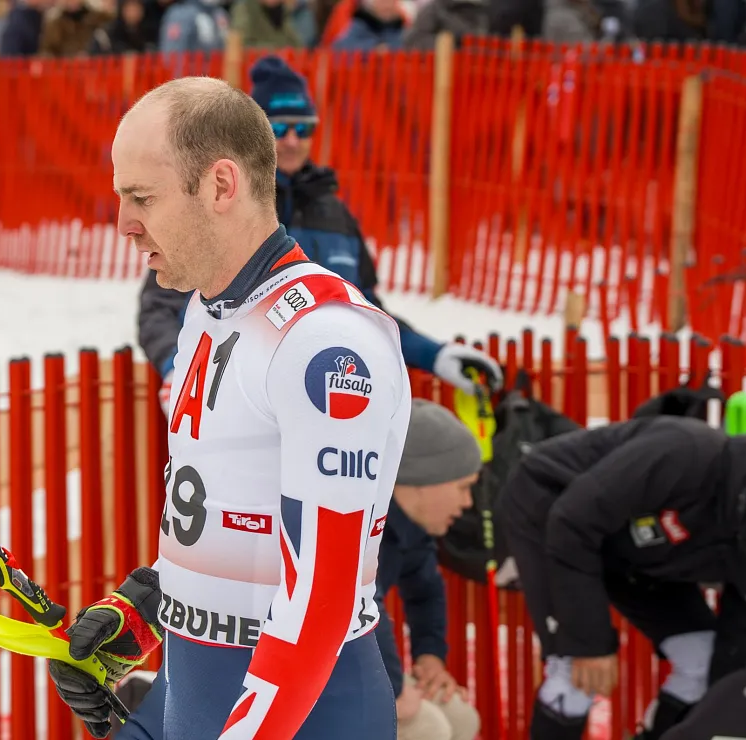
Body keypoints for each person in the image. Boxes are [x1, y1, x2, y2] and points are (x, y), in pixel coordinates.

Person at [47, 76, 413, 740]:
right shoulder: (206, 311)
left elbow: (321, 600)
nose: (125, 226)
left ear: (220, 186)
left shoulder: (326, 342)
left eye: (143, 199)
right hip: (202, 684)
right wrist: (142, 609)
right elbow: (228, 508)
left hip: (308, 706)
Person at [136, 55, 502, 413]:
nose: (293, 140)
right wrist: (177, 367)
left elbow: (366, 312)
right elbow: (159, 308)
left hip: (322, 406)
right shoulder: (216, 206)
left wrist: (435, 356)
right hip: (232, 406)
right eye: (279, 129)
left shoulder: (336, 216)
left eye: (304, 128)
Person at [494, 416, 746, 740]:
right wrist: (587, 643)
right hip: (553, 511)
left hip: (636, 557)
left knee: (702, 662)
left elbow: (736, 659)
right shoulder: (690, 454)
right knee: (576, 672)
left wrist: (729, 725)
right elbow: (573, 521)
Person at [376, 398, 484, 740]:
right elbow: (356, 606)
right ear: (421, 481)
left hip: (349, 662)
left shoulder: (411, 526)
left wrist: (430, 656)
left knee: (460, 717)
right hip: (296, 671)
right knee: (426, 728)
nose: (468, 503)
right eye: (463, 487)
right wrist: (393, 688)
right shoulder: (363, 522)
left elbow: (425, 592)